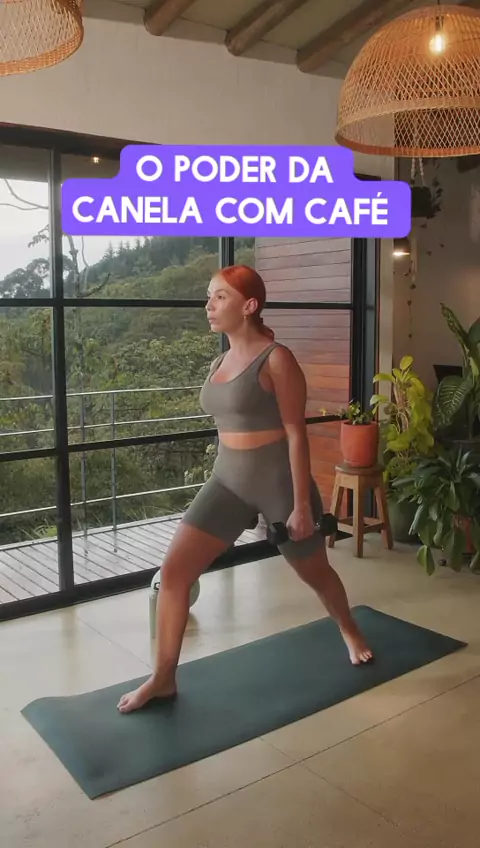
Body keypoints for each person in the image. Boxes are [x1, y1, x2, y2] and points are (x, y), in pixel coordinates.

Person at [117, 264, 373, 714]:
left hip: (277, 484)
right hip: (227, 480)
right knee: (174, 575)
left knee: (315, 573)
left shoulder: (277, 359)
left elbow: (296, 434)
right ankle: (163, 678)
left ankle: (349, 630)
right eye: (209, 296)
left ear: (249, 305)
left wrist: (300, 507)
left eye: (220, 297)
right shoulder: (219, 363)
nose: (209, 305)